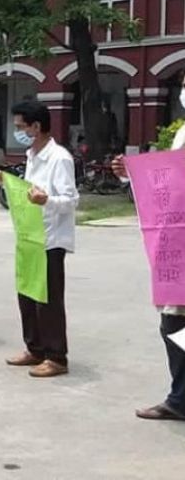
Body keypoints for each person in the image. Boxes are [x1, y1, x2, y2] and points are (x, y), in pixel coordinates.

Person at [0, 101, 79, 377]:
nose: (17, 131)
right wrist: (6, 180)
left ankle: (57, 357)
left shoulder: (59, 158)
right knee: (27, 294)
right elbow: (26, 190)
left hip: (50, 238)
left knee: (49, 300)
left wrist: (47, 200)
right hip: (29, 235)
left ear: (36, 126)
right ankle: (35, 348)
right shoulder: (32, 155)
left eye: (20, 126)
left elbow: (70, 200)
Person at [113, 120, 185, 420]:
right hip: (177, 238)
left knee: (176, 324)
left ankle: (179, 399)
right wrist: (131, 174)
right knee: (174, 322)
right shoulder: (183, 132)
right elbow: (169, 179)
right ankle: (179, 398)